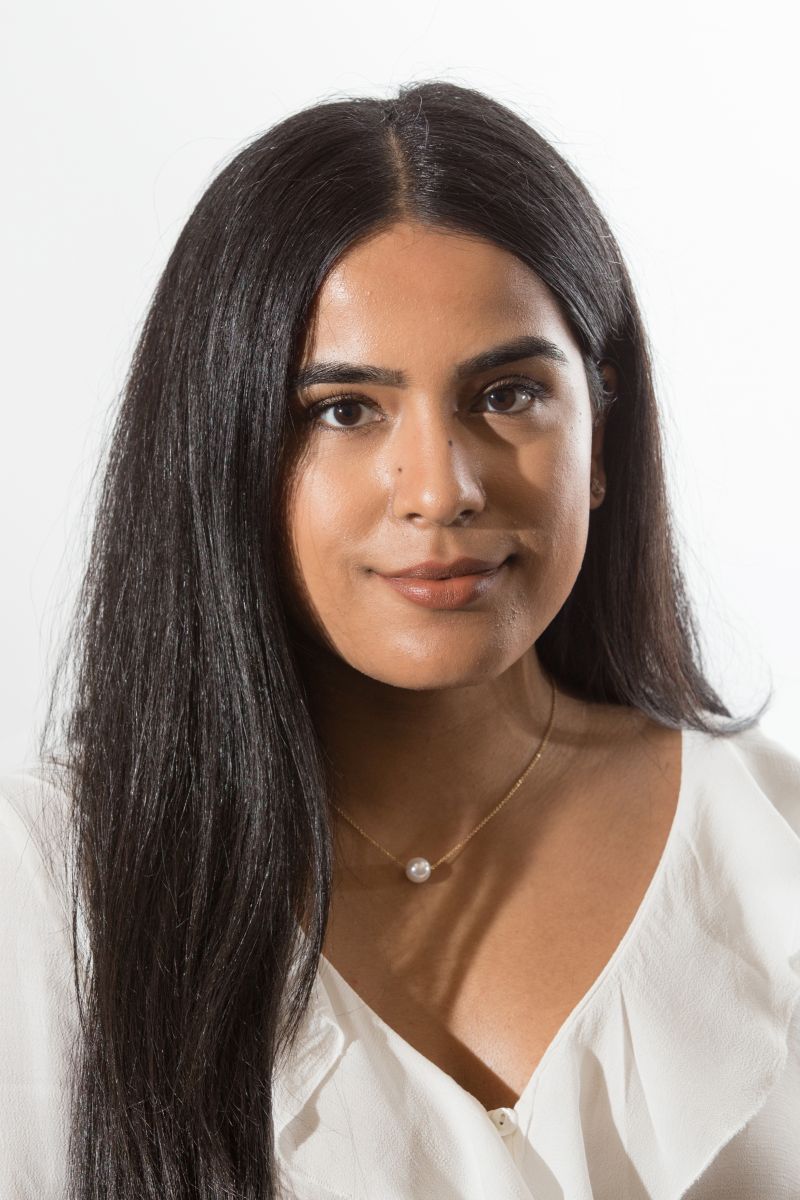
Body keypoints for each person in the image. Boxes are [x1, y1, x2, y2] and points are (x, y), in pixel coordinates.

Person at [1, 79, 798, 1200]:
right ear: (224, 451)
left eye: (506, 394)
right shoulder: (46, 891)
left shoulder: (771, 844)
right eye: (344, 410)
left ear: (602, 432)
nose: (440, 488)